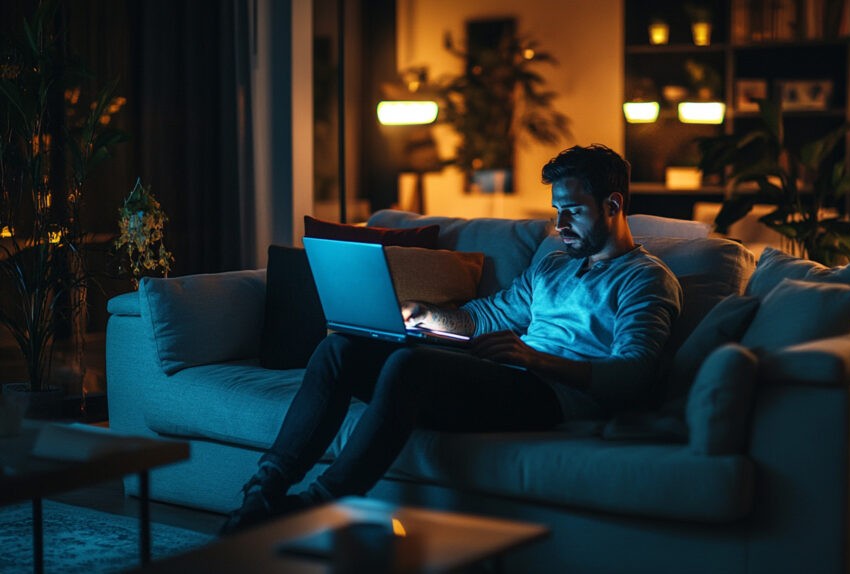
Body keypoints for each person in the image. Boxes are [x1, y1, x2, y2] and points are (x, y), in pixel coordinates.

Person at [221, 144, 683, 534]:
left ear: (614, 205)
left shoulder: (645, 280)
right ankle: (261, 493)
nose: (560, 225)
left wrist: (538, 360)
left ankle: (320, 504)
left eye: (574, 211)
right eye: (557, 210)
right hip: (508, 376)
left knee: (410, 367)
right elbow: (488, 314)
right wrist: (425, 315)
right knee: (340, 348)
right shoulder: (554, 265)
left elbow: (634, 374)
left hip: (555, 397)